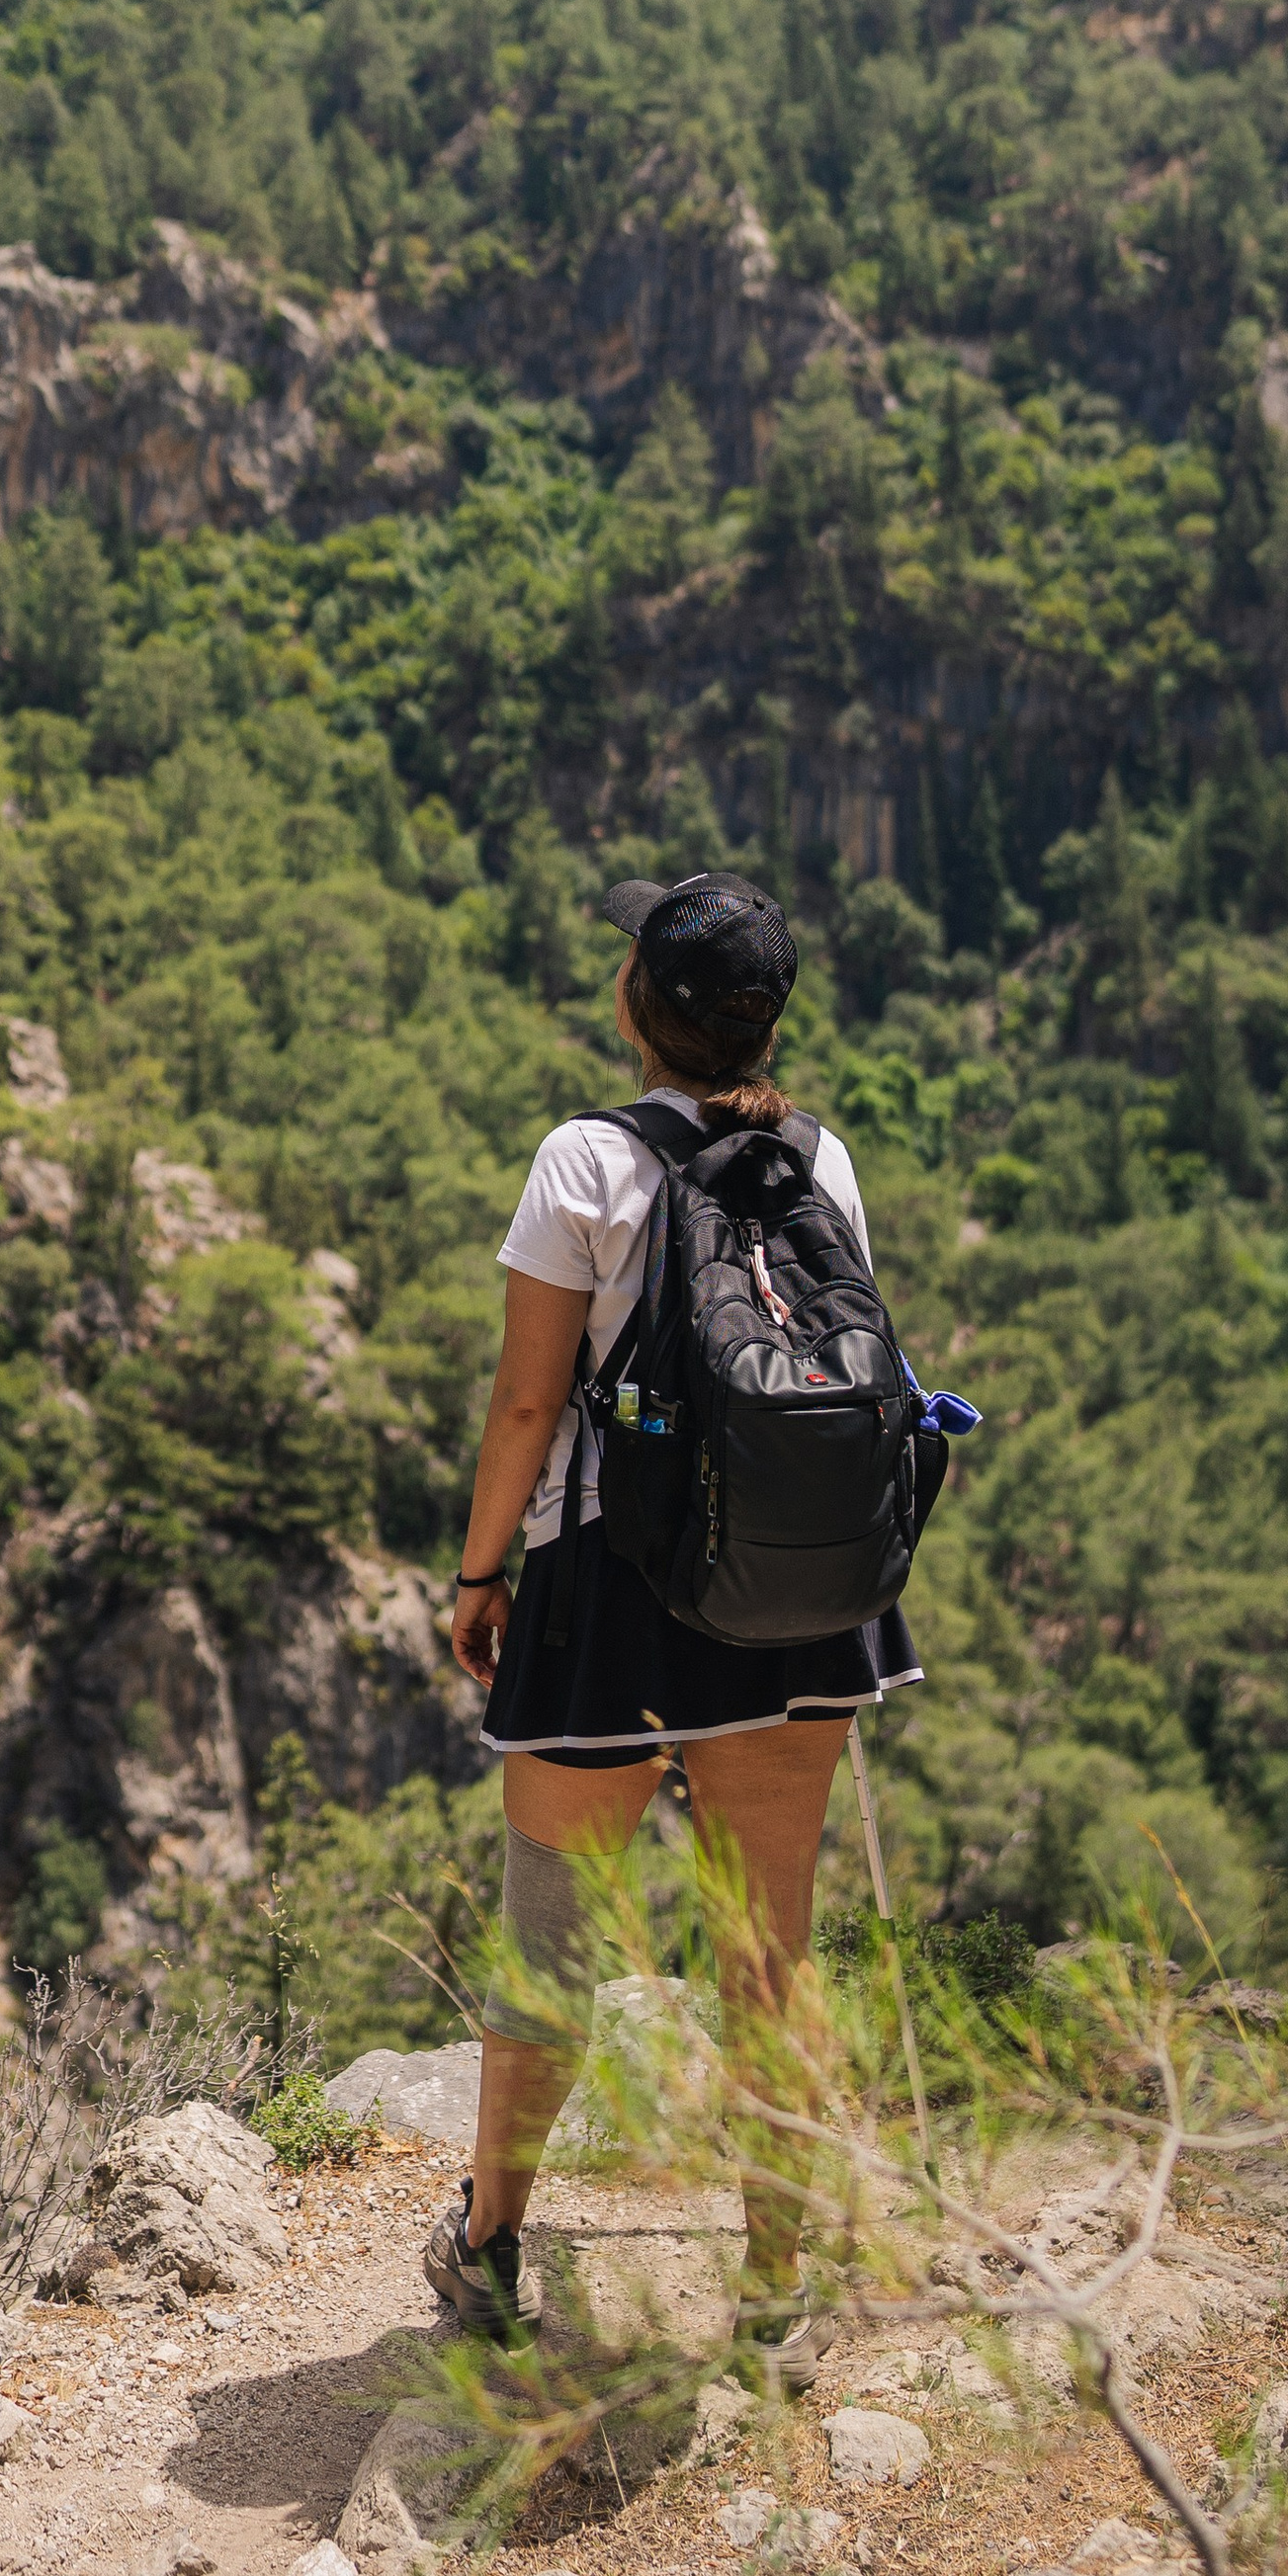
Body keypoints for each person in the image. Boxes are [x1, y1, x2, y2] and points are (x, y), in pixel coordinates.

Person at [422, 870, 921, 2372]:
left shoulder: (584, 1162)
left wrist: (476, 1575)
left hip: (609, 1599)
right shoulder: (823, 1162)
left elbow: (527, 1400)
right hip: (796, 1600)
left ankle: (494, 2247)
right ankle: (777, 2278)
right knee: (770, 1948)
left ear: (642, 1006)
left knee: (551, 1948)